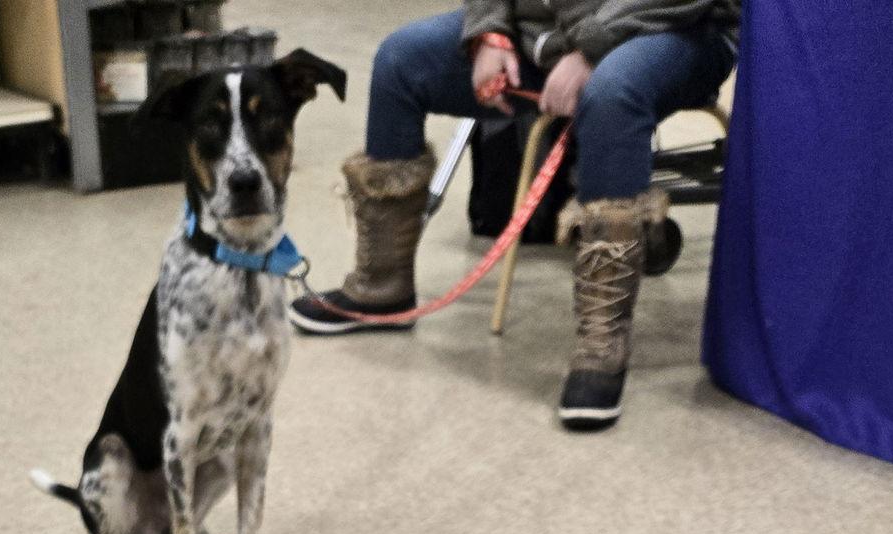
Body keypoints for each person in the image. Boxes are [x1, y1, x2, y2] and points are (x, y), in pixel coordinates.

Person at [292, 2, 739, 431]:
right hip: (544, 33)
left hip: (671, 26)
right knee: (401, 60)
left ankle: (602, 344)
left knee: (612, 92)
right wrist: (489, 32)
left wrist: (593, 50)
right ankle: (381, 286)